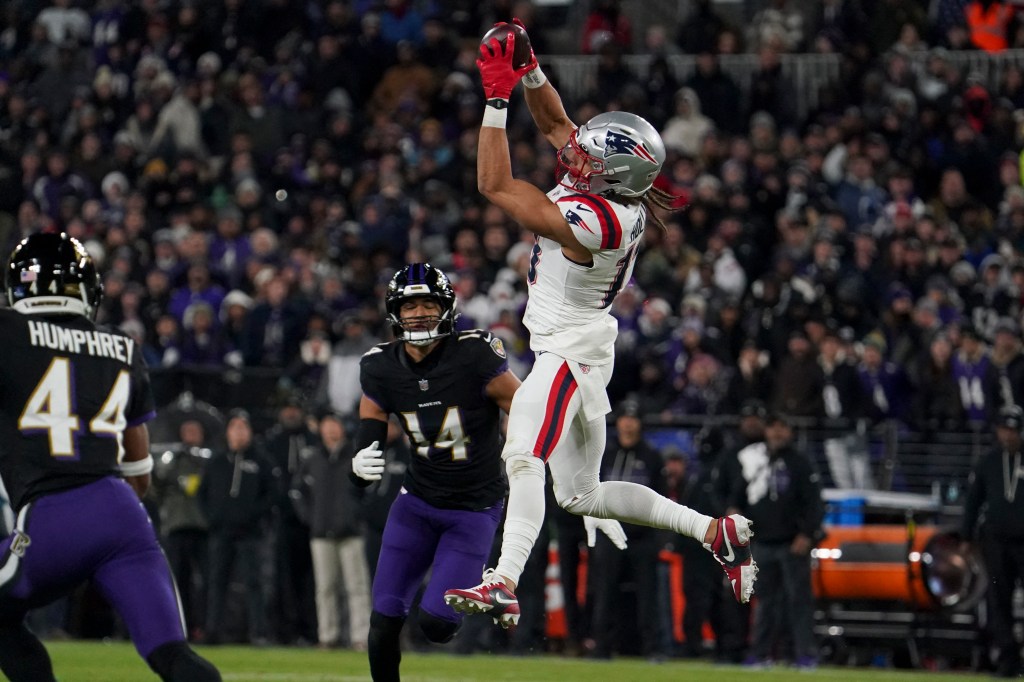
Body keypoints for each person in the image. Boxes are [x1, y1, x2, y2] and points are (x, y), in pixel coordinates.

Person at [443, 20, 757, 627]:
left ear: (610, 176)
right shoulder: (615, 194)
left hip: (567, 349)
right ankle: (713, 531)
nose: (575, 153)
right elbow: (558, 125)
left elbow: (493, 183)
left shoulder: (597, 220)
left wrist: (498, 96)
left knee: (523, 455)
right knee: (580, 495)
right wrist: (530, 68)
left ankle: (504, 580)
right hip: (581, 344)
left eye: (590, 156)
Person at [0, 233, 220, 682]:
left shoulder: (7, 332)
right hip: (123, 514)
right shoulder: (122, 345)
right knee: (172, 655)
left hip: (51, 515)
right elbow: (137, 462)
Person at [349, 263, 521, 682]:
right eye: (409, 305)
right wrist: (358, 460)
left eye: (428, 302)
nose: (419, 312)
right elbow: (371, 421)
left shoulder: (474, 355)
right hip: (417, 504)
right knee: (384, 621)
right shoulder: (380, 366)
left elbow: (524, 408)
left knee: (436, 627)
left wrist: (522, 457)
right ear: (395, 312)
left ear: (446, 308)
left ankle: (489, 589)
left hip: (474, 508)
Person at [731, 413, 823, 669]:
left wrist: (806, 534)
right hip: (762, 542)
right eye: (773, 427)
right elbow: (737, 496)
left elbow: (814, 504)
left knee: (799, 602)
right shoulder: (755, 461)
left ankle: (804, 654)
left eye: (783, 427)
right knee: (764, 604)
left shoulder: (801, 463)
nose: (777, 432)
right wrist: (733, 513)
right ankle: (761, 654)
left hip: (792, 543)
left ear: (790, 432)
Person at [292, 412, 371, 650]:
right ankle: (328, 636)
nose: (330, 430)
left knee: (356, 587)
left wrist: (356, 516)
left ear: (343, 429)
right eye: (326, 425)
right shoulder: (312, 458)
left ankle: (361, 636)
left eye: (334, 425)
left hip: (351, 532)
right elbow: (297, 492)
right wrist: (310, 517)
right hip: (320, 533)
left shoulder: (355, 457)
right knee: (325, 588)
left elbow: (369, 491)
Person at [198, 409, 276, 645]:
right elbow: (202, 494)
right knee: (216, 581)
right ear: (228, 432)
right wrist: (212, 518)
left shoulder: (262, 461)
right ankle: (212, 631)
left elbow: (272, 494)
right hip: (221, 531)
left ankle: (258, 632)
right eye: (235, 427)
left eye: (244, 427)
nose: (239, 432)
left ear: (250, 432)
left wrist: (252, 516)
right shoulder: (217, 461)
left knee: (254, 583)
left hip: (250, 532)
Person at [962, 405, 1024, 679]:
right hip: (997, 542)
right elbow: (973, 502)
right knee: (998, 600)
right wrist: (966, 536)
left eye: (1013, 430)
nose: (1008, 436)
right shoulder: (988, 462)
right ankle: (1007, 658)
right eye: (1005, 429)